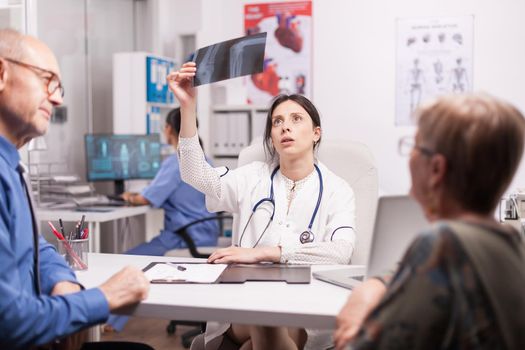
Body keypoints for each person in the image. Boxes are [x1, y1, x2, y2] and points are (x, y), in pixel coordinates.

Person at [168, 62, 356, 349]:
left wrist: (263, 254)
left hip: (304, 306)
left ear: (316, 133)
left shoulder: (337, 189)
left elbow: (340, 252)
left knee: (259, 338)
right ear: (271, 136)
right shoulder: (252, 177)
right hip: (248, 300)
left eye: (296, 119)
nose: (285, 127)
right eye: (277, 122)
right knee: (263, 313)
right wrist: (188, 107)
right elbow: (194, 174)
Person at [334, 93, 525, 350]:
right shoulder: (511, 244)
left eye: (415, 146)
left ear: (436, 169)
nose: (410, 156)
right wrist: (377, 283)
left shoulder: (443, 242)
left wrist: (353, 324)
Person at [0, 28, 150, 349]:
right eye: (47, 80)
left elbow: (33, 246)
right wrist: (104, 297)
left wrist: (61, 278)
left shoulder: (10, 166)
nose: (57, 98)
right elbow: (9, 323)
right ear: (1, 73)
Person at [105, 108, 218, 332]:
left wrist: (129, 197)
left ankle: (110, 322)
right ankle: (112, 321)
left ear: (168, 129)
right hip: (206, 232)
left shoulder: (177, 160)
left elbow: (147, 198)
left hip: (184, 237)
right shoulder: (204, 158)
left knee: (125, 261)